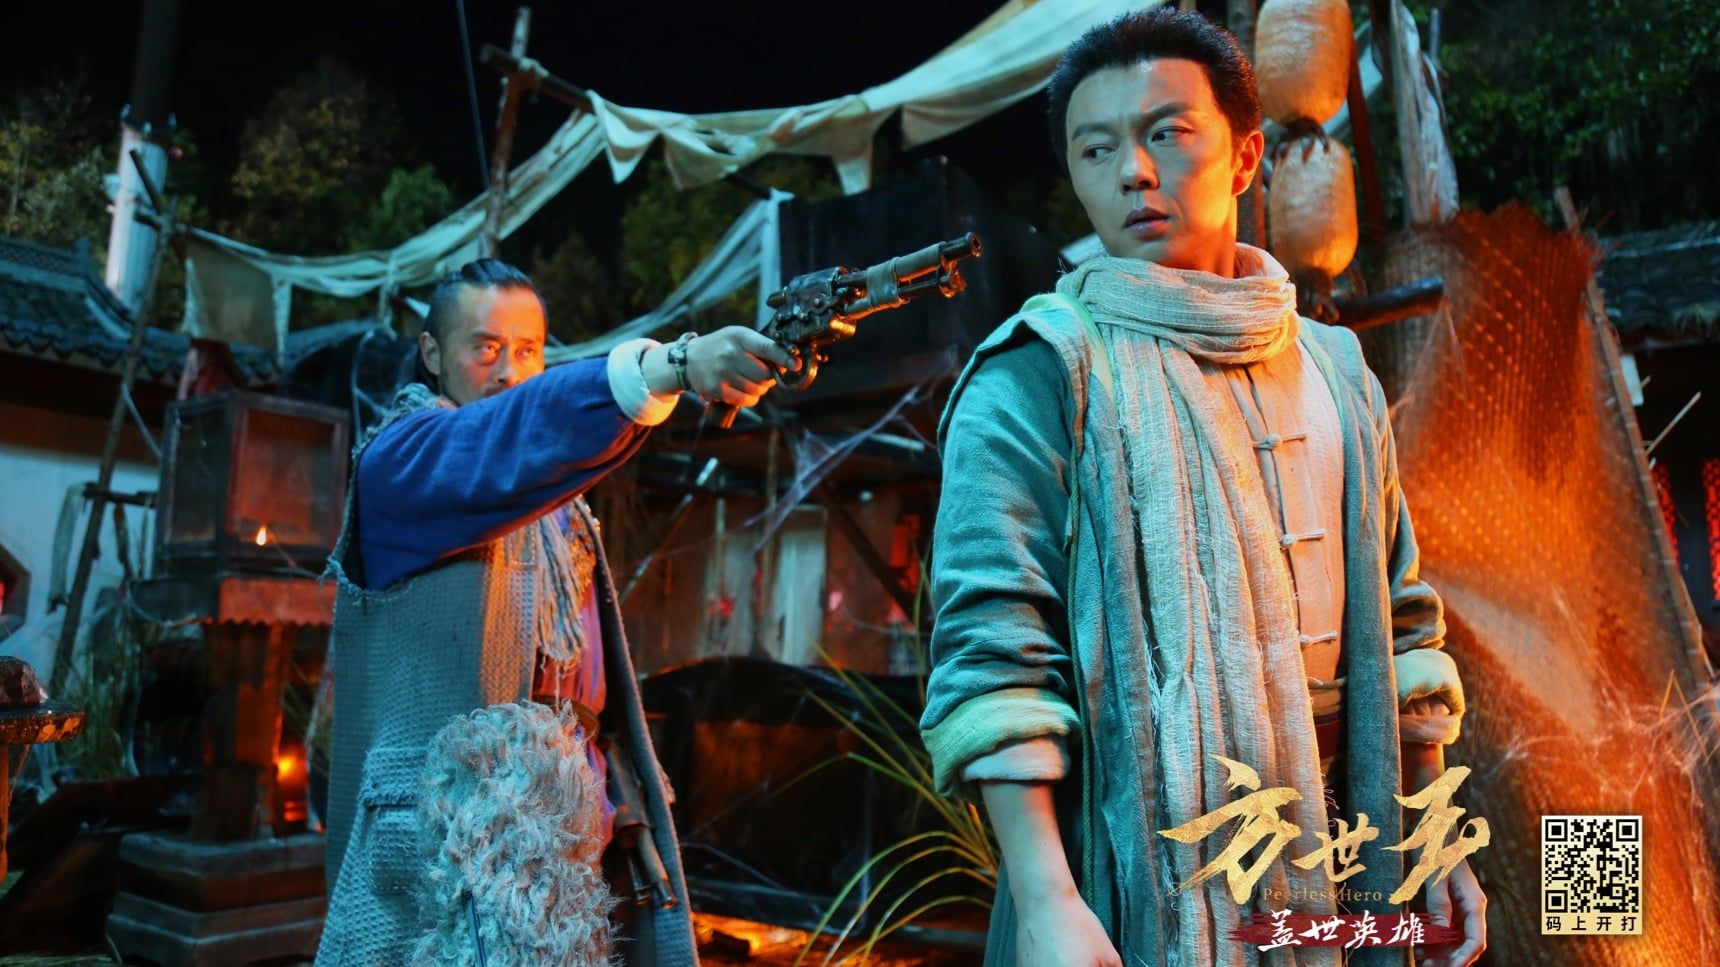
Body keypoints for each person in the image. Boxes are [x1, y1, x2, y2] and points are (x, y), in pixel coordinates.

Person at [918, 9, 1484, 967]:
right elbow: (992, 655)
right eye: (1096, 149)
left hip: (1338, 844)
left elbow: (1401, 622)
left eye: (1167, 133)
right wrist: (1049, 904)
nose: (1133, 172)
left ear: (1247, 155)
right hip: (1129, 874)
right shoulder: (1040, 373)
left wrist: (1435, 840)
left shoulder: (1338, 371)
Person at [315, 258, 794, 965]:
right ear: (432, 354)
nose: (509, 371)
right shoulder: (405, 462)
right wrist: (675, 366)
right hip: (452, 846)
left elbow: (588, 693)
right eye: (485, 348)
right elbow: (501, 444)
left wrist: (615, 808)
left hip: (574, 829)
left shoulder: (558, 507)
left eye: (528, 349)